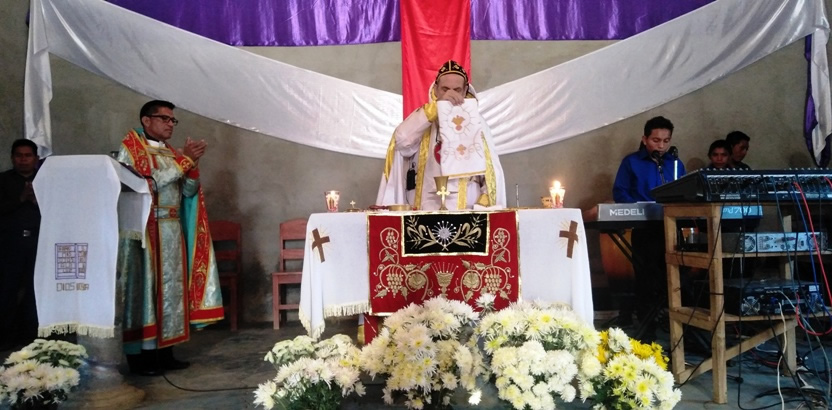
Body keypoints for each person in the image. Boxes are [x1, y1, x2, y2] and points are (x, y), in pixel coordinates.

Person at [117, 100, 223, 375]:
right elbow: (146, 184)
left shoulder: (173, 153)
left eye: (172, 120)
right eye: (164, 118)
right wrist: (184, 161)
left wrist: (193, 167)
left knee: (172, 294)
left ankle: (166, 353)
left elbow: (187, 192)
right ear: (146, 120)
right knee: (145, 294)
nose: (170, 124)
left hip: (172, 230)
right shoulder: (131, 149)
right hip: (145, 231)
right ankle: (141, 358)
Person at [376, 60, 506, 210]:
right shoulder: (423, 117)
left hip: (466, 207)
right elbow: (401, 142)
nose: (450, 94)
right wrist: (435, 110)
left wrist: (482, 205)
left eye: (457, 90)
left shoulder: (477, 122)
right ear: (436, 89)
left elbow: (491, 174)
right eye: (445, 89)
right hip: (425, 205)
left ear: (465, 91)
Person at [612, 116, 686, 340]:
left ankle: (682, 331)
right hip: (645, 229)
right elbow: (620, 192)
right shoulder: (631, 162)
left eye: (666, 141)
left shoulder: (675, 164)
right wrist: (637, 206)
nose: (661, 146)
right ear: (645, 139)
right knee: (646, 280)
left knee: (678, 279)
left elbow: (685, 191)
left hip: (671, 229)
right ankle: (647, 333)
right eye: (656, 140)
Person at [0, 139, 41, 350]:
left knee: (35, 292)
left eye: (28, 155)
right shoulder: (3, 180)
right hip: (10, 245)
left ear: (36, 158)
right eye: (19, 155)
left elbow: (58, 210)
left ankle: (33, 339)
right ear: (12, 158)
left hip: (38, 244)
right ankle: (6, 339)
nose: (23, 160)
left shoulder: (45, 180)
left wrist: (37, 201)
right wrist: (21, 198)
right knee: (7, 292)